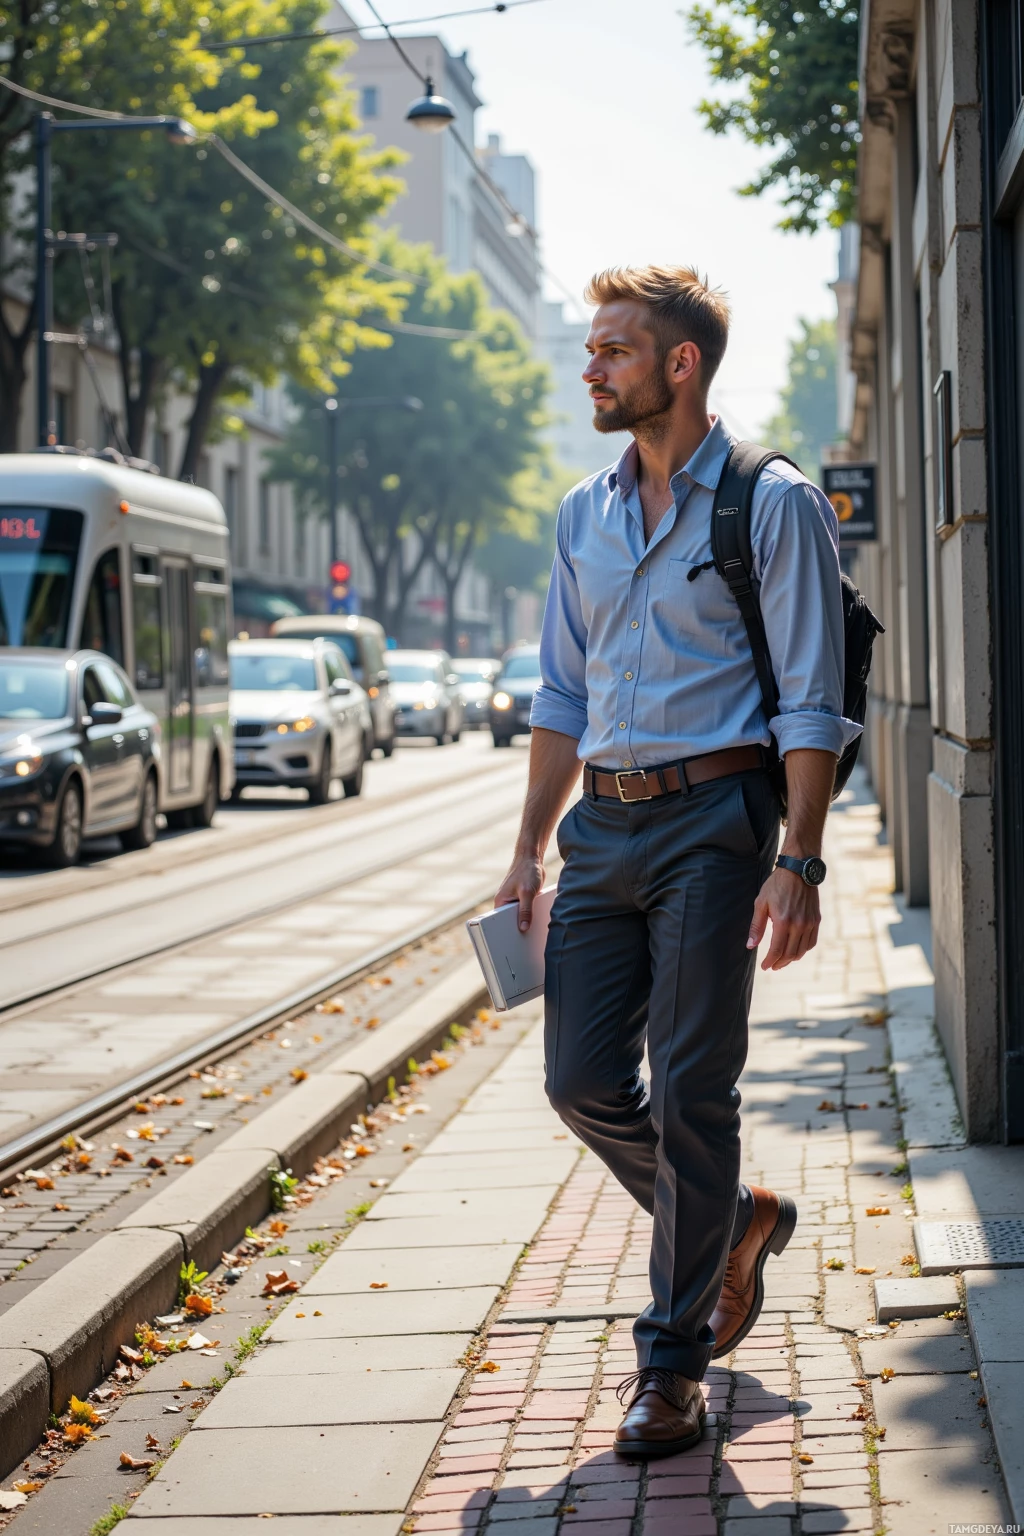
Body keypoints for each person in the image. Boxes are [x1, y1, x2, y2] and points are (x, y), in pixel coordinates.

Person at [495, 265, 859, 1461]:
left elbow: (809, 695)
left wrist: (795, 863)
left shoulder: (772, 503)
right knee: (580, 1080)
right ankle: (738, 1218)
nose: (590, 368)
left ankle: (671, 1364)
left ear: (679, 364)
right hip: (600, 826)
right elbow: (561, 688)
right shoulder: (580, 514)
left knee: (692, 1084)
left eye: (611, 351)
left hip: (715, 822)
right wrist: (526, 852)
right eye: (591, 350)